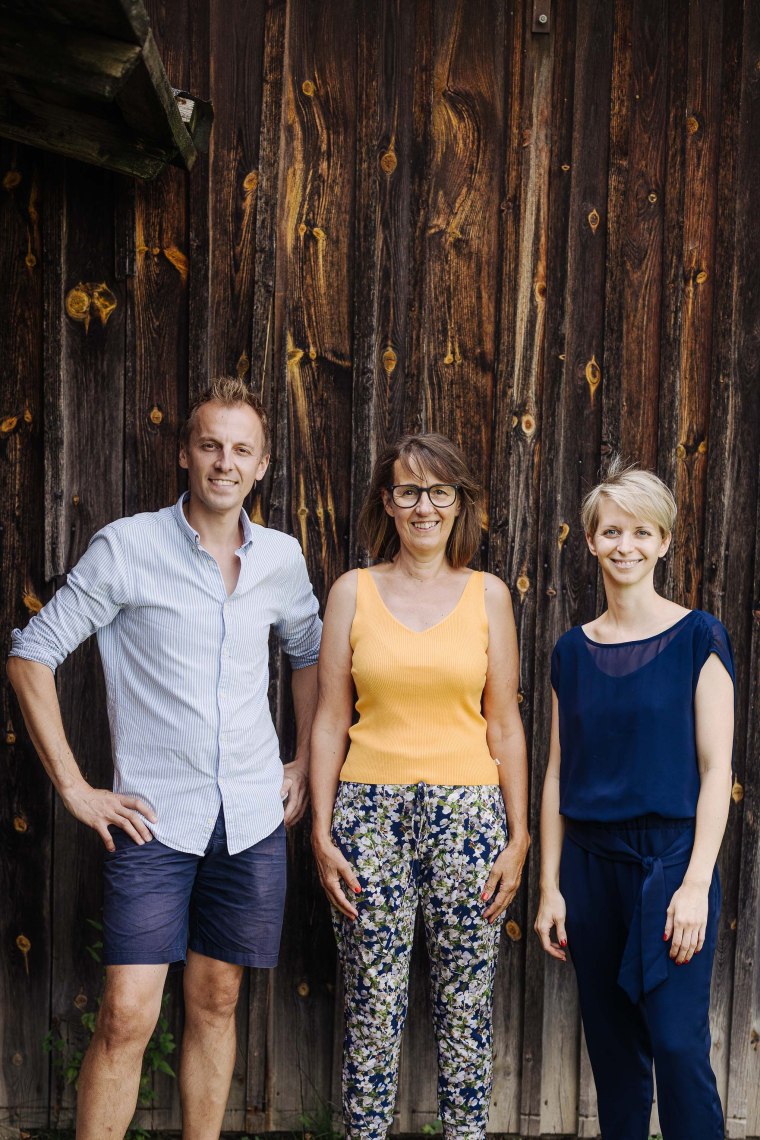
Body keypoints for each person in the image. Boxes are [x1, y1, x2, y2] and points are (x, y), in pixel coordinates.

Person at [7, 376, 321, 1140]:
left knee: (217, 1001)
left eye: (241, 449)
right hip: (155, 823)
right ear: (185, 453)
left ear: (263, 465)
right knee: (126, 1013)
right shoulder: (129, 546)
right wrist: (77, 788)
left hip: (249, 819)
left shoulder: (281, 558)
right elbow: (30, 654)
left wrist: (305, 762)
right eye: (210, 445)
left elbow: (311, 656)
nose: (224, 461)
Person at [310, 432, 529, 1140]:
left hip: (469, 814)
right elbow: (328, 721)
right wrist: (320, 832)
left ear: (459, 503)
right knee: (373, 1001)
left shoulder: (488, 596)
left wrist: (519, 835)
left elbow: (504, 726)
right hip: (368, 813)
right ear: (389, 502)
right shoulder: (353, 591)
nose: (425, 506)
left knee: (467, 1005)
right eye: (409, 491)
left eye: (440, 492)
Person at [534, 459, 735, 1140]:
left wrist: (696, 885)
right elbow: (558, 776)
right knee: (615, 1058)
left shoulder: (699, 639)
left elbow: (716, 771)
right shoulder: (570, 652)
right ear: (590, 540)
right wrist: (551, 889)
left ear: (664, 542)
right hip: (590, 871)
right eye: (612, 531)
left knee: (678, 1047)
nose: (626, 545)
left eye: (641, 532)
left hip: (671, 865)